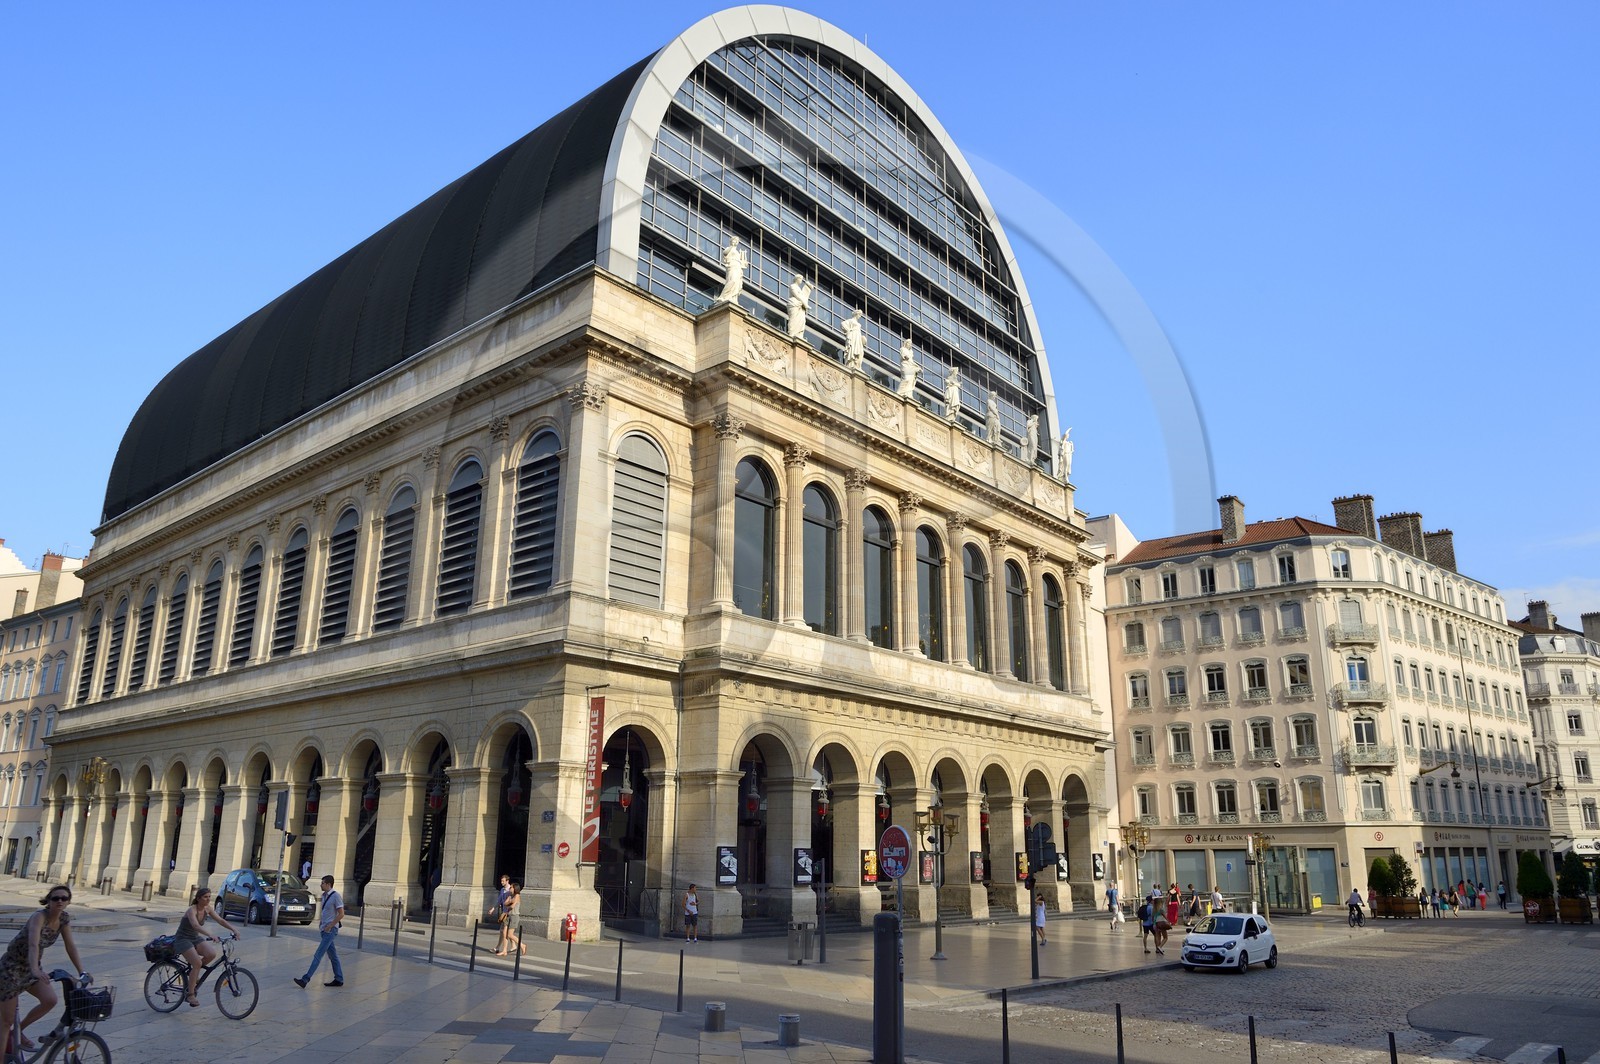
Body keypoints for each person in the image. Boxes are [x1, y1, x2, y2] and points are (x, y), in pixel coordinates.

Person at [0, 885, 90, 1051]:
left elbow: (70, 946)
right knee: (6, 1022)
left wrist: (82, 971)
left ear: (69, 901)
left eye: (64, 898)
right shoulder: (39, 917)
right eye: (56, 898)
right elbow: (33, 944)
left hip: (31, 967)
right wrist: (35, 970)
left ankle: (18, 1031)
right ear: (48, 901)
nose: (60, 901)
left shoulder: (63, 919)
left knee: (50, 1000)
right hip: (11, 968)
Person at [173, 886, 239, 1008]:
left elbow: (220, 920)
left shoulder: (208, 909)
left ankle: (193, 973)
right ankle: (190, 994)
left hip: (194, 938)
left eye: (209, 897)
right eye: (205, 897)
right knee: (197, 963)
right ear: (198, 898)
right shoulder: (191, 910)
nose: (208, 899)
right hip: (182, 939)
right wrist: (211, 934)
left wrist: (234, 929)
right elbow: (196, 925)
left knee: (211, 954)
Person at [295, 875, 345, 989]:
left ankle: (305, 979)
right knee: (333, 956)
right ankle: (339, 978)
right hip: (324, 929)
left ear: (328, 884)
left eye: (322, 883)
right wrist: (322, 924)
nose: (320, 885)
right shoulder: (324, 896)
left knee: (318, 955)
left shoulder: (336, 896)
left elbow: (341, 914)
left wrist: (330, 926)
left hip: (330, 930)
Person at [489, 873, 512, 955]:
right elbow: (499, 901)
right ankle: (513, 946)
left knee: (504, 931)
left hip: (508, 913)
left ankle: (499, 948)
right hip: (504, 913)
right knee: (506, 932)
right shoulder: (502, 890)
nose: (501, 882)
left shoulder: (510, 890)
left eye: (503, 881)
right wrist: (493, 909)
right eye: (501, 881)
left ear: (507, 881)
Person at [502, 881, 526, 957]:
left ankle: (522, 945)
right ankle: (504, 950)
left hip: (514, 916)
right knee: (504, 933)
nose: (510, 888)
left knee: (510, 935)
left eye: (511, 887)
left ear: (515, 888)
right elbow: (505, 903)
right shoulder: (510, 895)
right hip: (508, 915)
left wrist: (509, 903)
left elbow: (511, 906)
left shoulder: (517, 895)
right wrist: (509, 902)